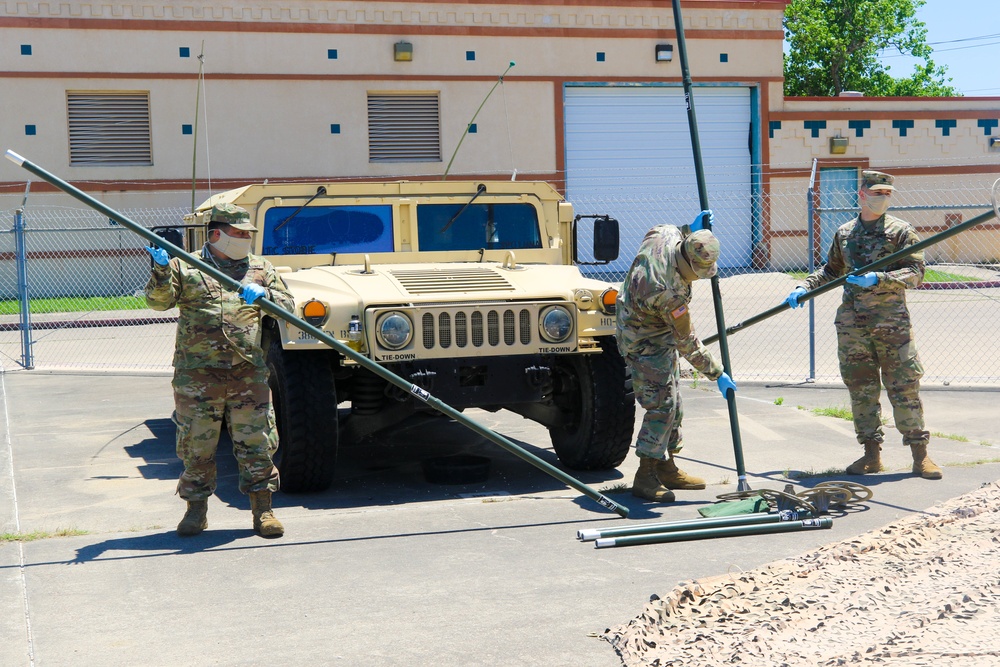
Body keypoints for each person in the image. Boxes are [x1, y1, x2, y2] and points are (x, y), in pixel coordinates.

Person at [144, 202, 296, 537]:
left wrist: (267, 294)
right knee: (197, 446)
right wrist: (160, 271)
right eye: (239, 233)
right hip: (198, 376)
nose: (245, 239)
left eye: (248, 234)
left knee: (257, 443)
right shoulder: (186, 267)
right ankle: (195, 511)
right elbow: (158, 301)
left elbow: (288, 308)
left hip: (248, 373)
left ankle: (263, 511)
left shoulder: (260, 268)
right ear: (216, 233)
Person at [785, 170, 941, 480]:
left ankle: (920, 456)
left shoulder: (901, 232)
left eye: (887, 194)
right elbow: (831, 270)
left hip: (891, 326)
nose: (882, 198)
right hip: (853, 327)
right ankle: (871, 455)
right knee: (861, 390)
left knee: (904, 389)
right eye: (877, 192)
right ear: (862, 194)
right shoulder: (845, 233)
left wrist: (881, 277)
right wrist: (805, 287)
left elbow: (917, 273)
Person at [616, 211, 737, 502]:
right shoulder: (667, 292)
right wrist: (717, 374)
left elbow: (675, 231)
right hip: (641, 339)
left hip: (655, 330)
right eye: (702, 272)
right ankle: (645, 475)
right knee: (662, 405)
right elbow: (688, 344)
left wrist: (692, 229)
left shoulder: (666, 233)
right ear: (690, 265)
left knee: (675, 402)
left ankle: (666, 466)